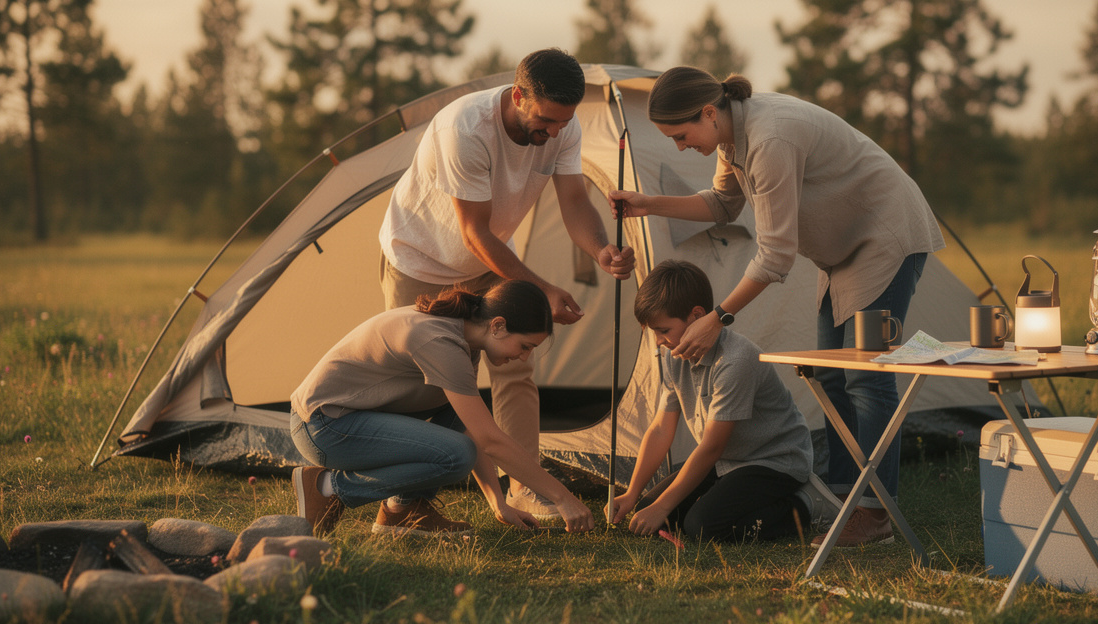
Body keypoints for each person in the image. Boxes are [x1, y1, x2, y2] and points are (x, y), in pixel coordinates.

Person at [607, 67, 944, 547]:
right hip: (843, 250)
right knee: (830, 375)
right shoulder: (730, 138)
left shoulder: (770, 139)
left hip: (884, 235)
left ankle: (874, 514)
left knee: (866, 377)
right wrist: (649, 203)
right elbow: (723, 204)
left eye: (681, 136)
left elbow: (776, 257)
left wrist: (717, 318)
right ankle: (845, 499)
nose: (680, 147)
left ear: (708, 113)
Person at [379, 48, 635, 522]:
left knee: (516, 362)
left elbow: (574, 201)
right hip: (421, 261)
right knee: (421, 384)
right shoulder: (465, 130)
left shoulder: (563, 128)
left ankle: (525, 489)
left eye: (563, 122)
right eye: (546, 120)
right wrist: (544, 289)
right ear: (518, 96)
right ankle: (400, 503)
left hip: (491, 259)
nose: (555, 132)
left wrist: (601, 248)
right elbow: (474, 233)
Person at [289, 280, 595, 537]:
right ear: (498, 326)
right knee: (456, 455)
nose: (524, 357)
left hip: (348, 419)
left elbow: (470, 427)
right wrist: (562, 497)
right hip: (323, 426)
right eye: (525, 346)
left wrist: (498, 504)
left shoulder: (464, 339)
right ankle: (328, 488)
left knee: (464, 416)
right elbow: (490, 441)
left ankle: (404, 509)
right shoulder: (439, 341)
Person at [606, 260, 840, 543]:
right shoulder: (674, 356)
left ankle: (806, 504)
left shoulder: (735, 360)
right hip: (726, 461)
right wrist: (632, 494)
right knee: (650, 512)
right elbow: (660, 429)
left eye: (663, 330)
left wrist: (664, 505)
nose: (658, 341)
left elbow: (712, 446)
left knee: (702, 527)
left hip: (772, 460)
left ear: (696, 316)